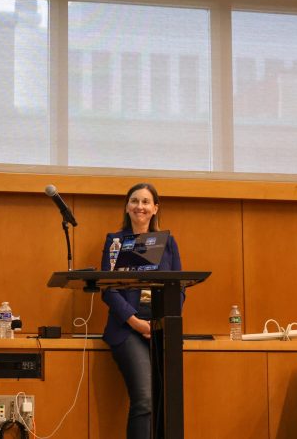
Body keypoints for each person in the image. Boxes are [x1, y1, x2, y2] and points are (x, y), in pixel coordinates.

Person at [100, 183, 182, 439]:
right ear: (127, 206)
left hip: (161, 331)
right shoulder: (115, 241)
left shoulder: (168, 243)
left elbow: (178, 288)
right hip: (127, 330)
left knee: (164, 405)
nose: (140, 206)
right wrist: (137, 323)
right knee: (145, 400)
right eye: (134, 201)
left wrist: (162, 321)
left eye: (146, 202)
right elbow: (108, 289)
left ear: (155, 208)